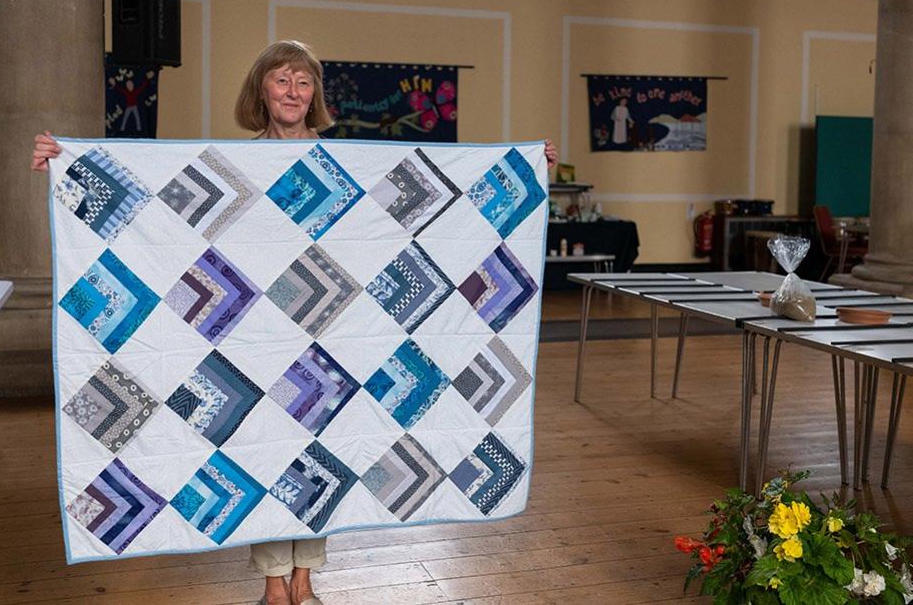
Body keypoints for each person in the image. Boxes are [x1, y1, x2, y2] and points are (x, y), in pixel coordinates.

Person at [31, 40, 558, 605]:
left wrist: (527, 166)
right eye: (282, 81)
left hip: (334, 333)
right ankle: (275, 586)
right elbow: (178, 223)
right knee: (262, 451)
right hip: (257, 337)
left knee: (321, 455)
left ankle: (305, 581)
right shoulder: (239, 169)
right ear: (262, 89)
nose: (293, 93)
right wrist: (66, 160)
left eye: (303, 83)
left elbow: (416, 216)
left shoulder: (345, 168)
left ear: (316, 95)